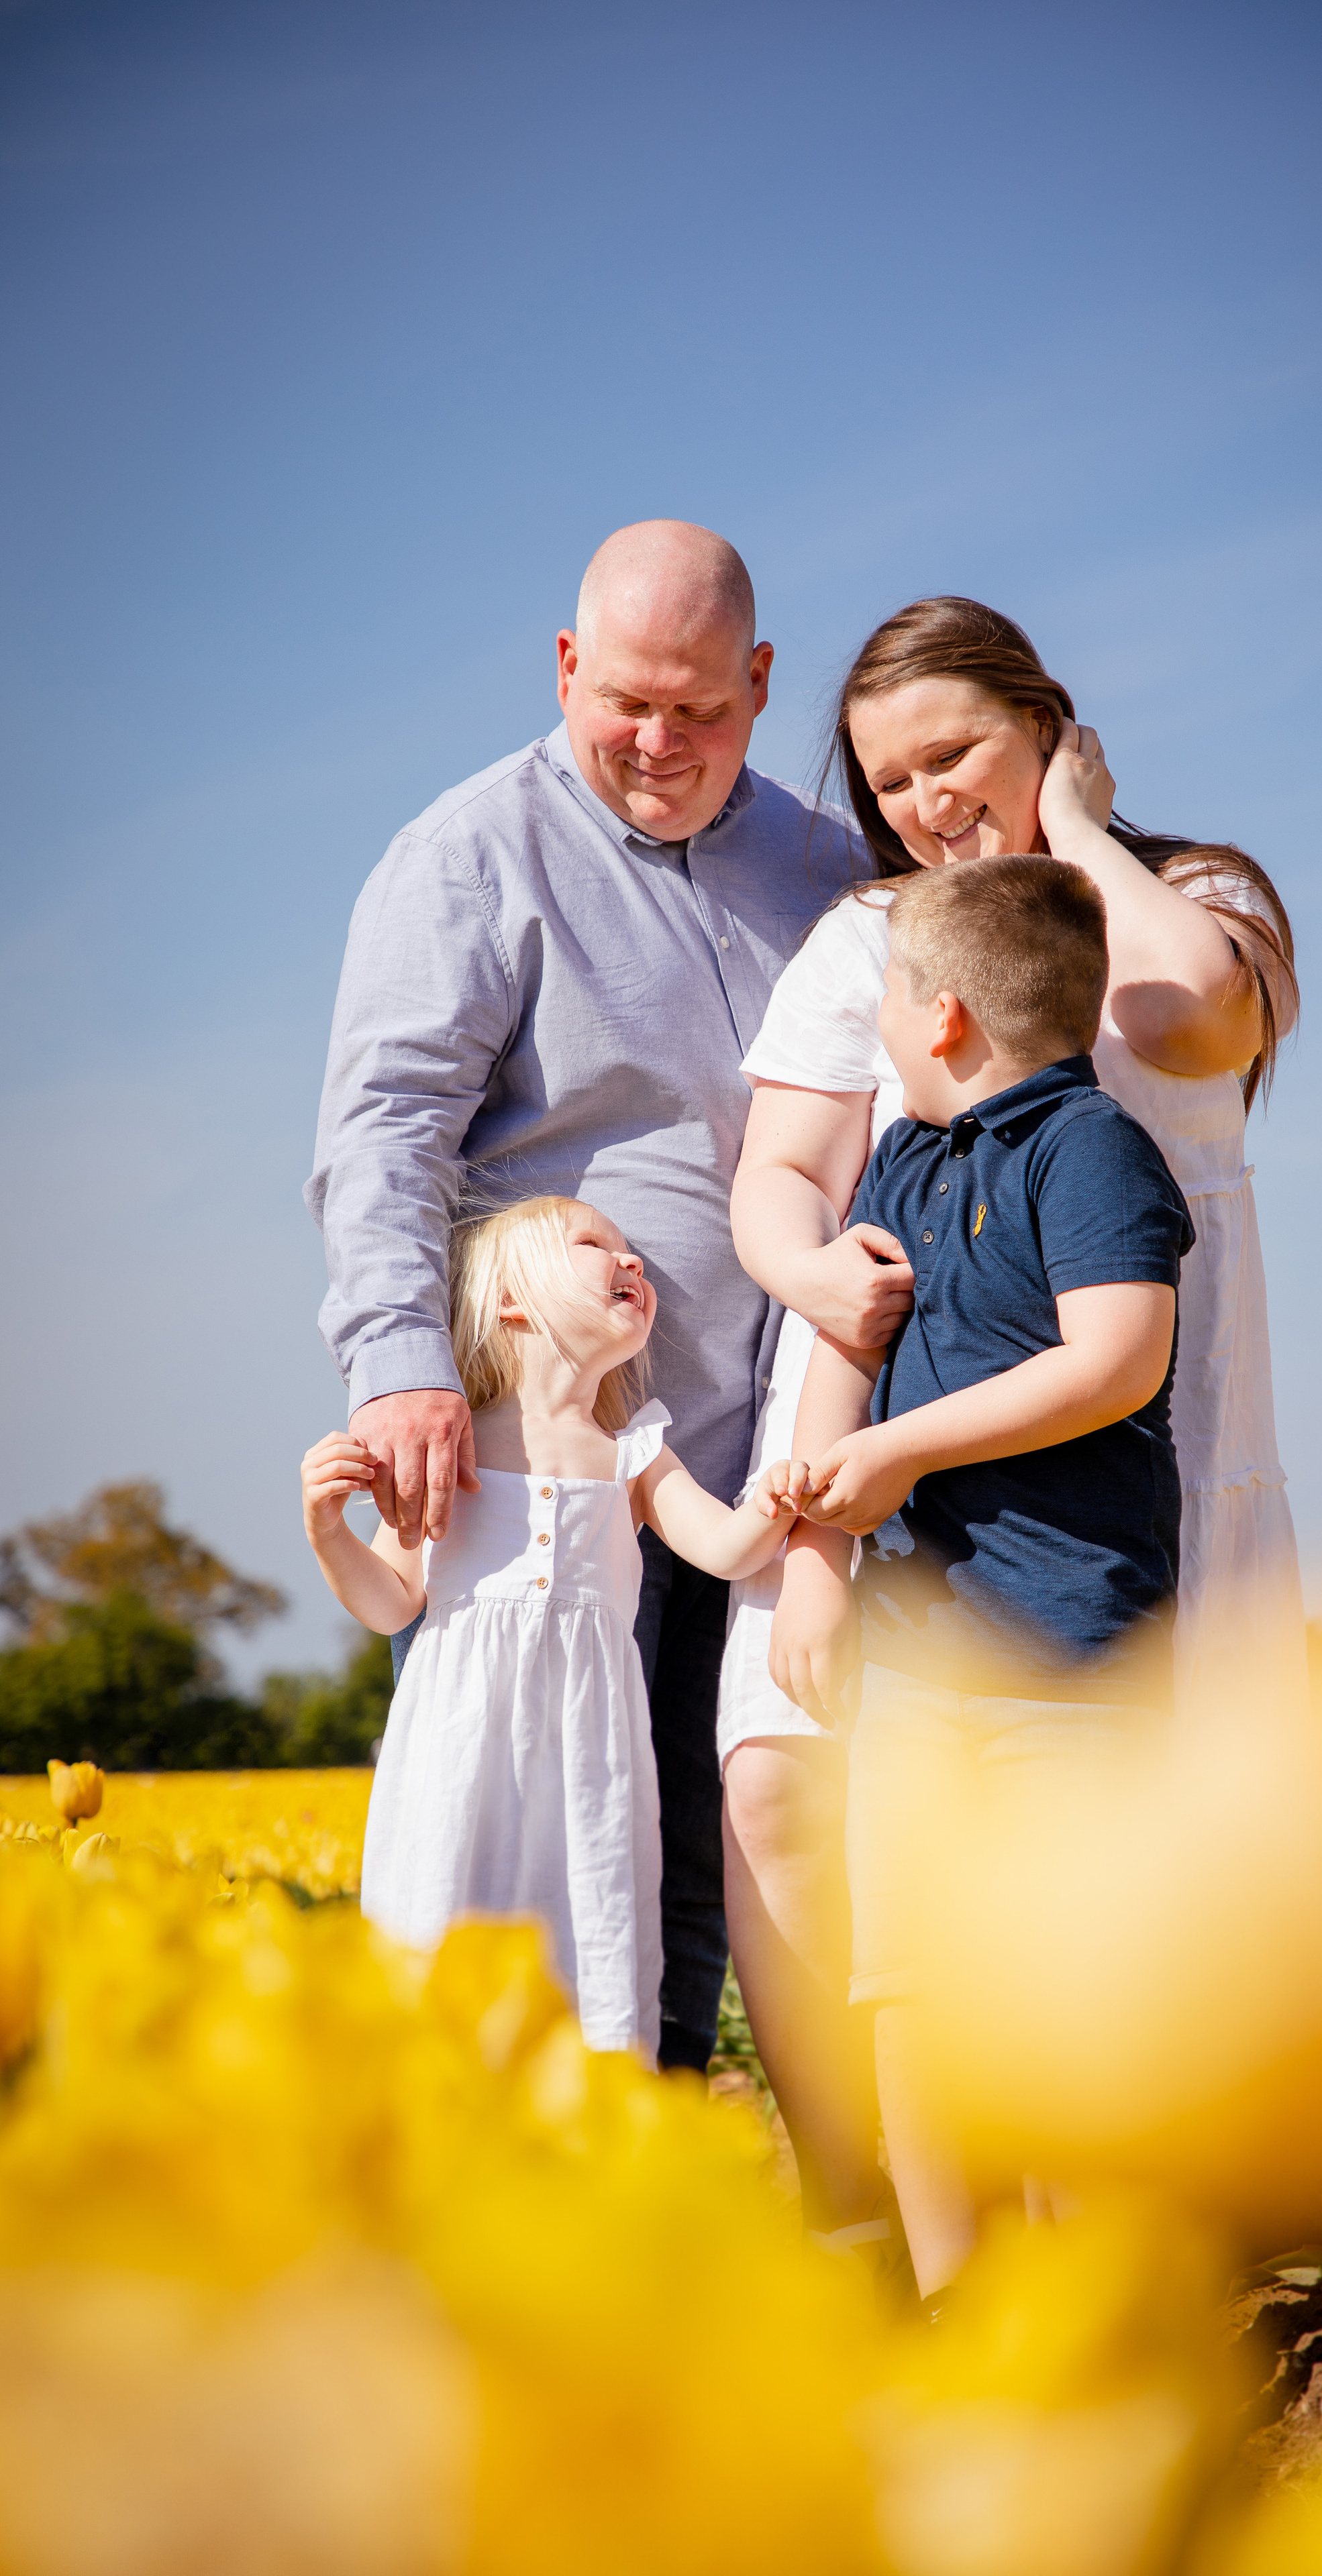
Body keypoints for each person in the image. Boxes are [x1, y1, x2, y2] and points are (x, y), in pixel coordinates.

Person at [719, 594, 1300, 2217]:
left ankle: (1162, 2227)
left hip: (1152, 1424)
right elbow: (789, 1171)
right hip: (903, 1393)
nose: (922, 802)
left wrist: (1082, 836)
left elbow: (1187, 1013)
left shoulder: (1188, 894)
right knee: (806, 1799)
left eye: (953, 751)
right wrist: (805, 1279)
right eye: (885, 779)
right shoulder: (878, 942)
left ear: (1043, 719)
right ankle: (890, 2224)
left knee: (1147, 1843)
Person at [305, 520, 857, 2075]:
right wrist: (402, 1362)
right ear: (564, 667)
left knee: (688, 1858)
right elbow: (383, 1129)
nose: (658, 741)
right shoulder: (468, 855)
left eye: (700, 707)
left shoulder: (826, 865)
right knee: (501, 1854)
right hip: (532, 1474)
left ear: (760, 685)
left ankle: (655, 2197)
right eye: (624, 700)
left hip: (763, 1457)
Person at [776, 855, 1193, 2296]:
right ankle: (956, 2304)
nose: (881, 1022)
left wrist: (898, 1454)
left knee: (1074, 1987)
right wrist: (820, 1559)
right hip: (911, 1655)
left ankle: (1091, 2311)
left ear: (940, 1015)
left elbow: (1116, 1357)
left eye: (887, 996)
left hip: (1070, 1648)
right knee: (908, 1982)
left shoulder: (1090, 1149)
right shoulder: (899, 1156)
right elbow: (849, 1349)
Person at [299, 1195, 808, 2059]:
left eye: (633, 1251)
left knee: (589, 1918)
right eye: (596, 1244)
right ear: (508, 1298)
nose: (633, 1262)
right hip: (459, 1744)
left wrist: (772, 1499)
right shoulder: (446, 1440)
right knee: (446, 1902)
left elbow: (722, 1548)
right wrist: (324, 1528)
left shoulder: (635, 1447)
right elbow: (391, 1599)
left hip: (589, 1753)